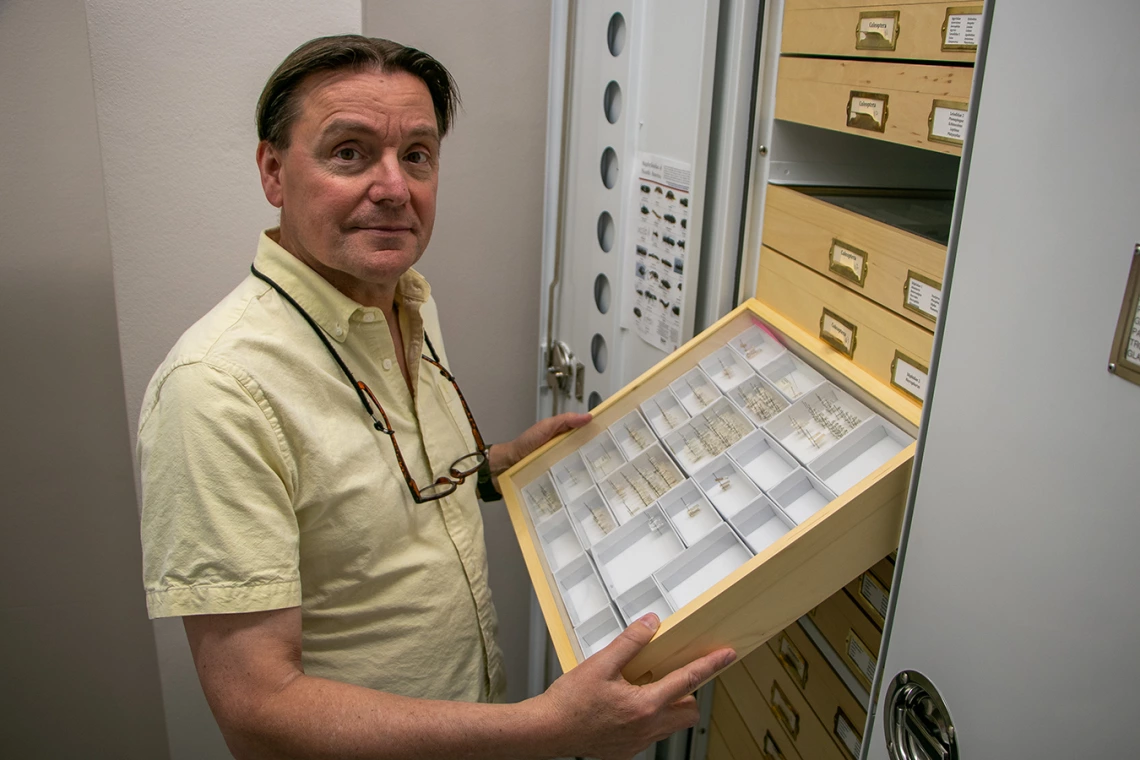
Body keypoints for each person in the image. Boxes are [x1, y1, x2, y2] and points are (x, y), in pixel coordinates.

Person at [138, 34, 734, 760]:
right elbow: (259, 709)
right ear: (273, 170)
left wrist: (499, 464)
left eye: (416, 155)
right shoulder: (216, 389)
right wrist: (546, 727)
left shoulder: (406, 300)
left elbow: (382, 484)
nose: (394, 187)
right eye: (349, 153)